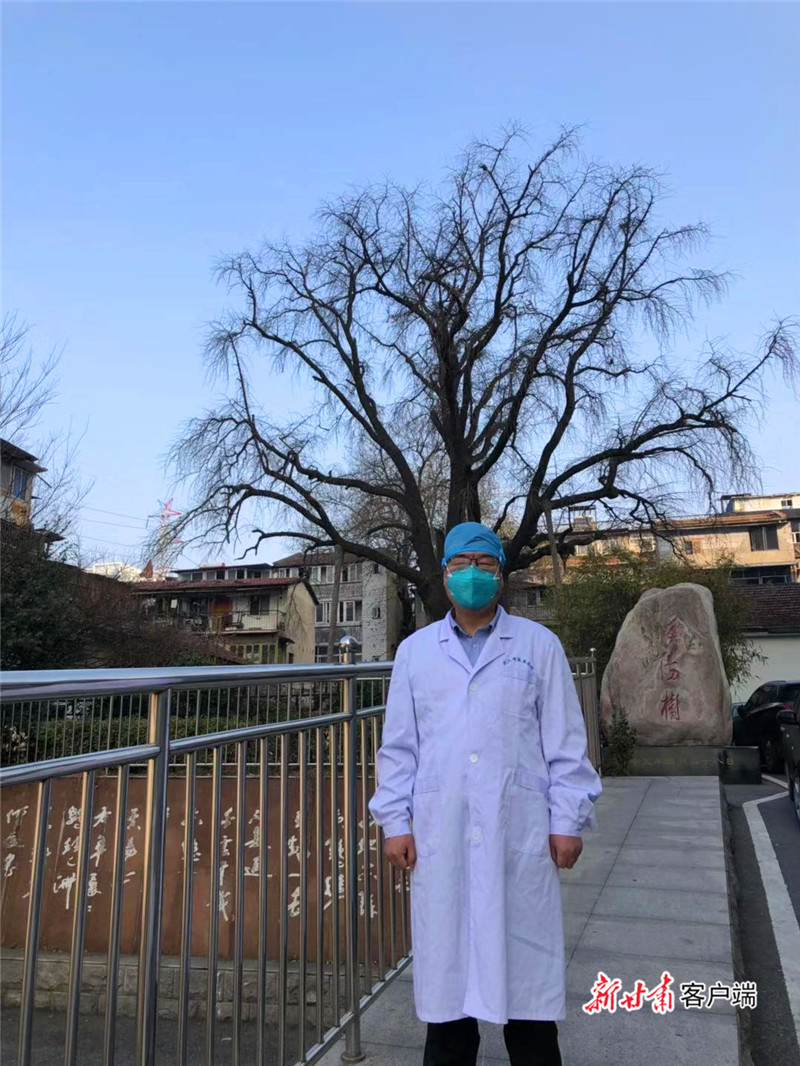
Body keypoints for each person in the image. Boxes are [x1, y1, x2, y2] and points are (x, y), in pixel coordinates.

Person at [367, 521, 603, 1066]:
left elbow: (565, 742)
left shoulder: (538, 646)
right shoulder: (416, 652)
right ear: (444, 573)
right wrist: (395, 823)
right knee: (448, 1006)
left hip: (517, 833)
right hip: (442, 833)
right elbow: (399, 748)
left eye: (484, 563)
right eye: (461, 564)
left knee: (529, 1007)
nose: (472, 573)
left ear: (501, 573)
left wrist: (567, 820)